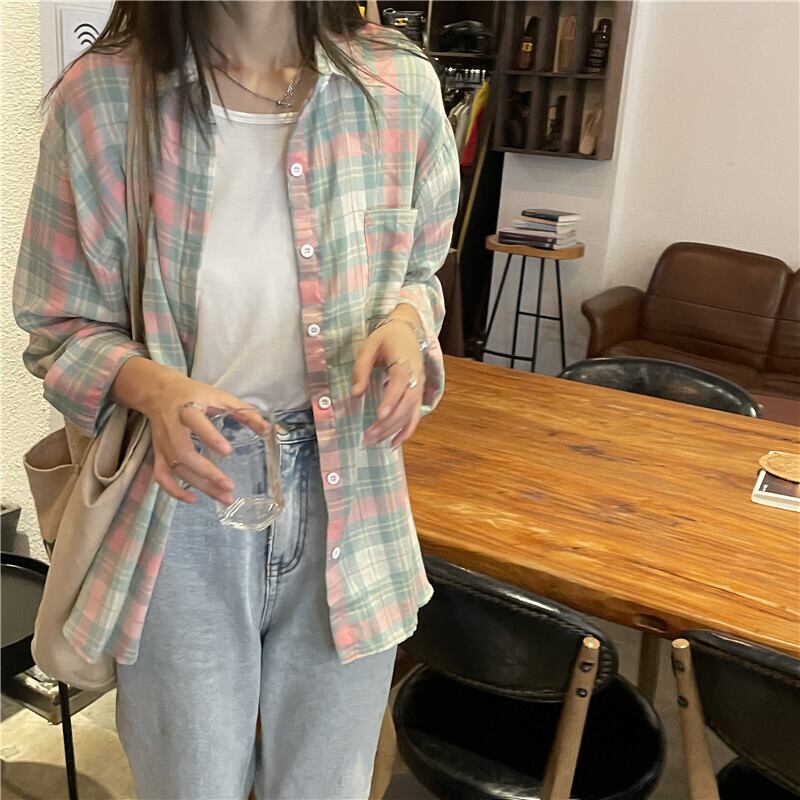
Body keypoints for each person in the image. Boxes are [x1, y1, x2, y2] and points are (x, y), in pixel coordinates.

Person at [13, 2, 459, 797]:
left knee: (326, 785)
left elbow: (419, 274)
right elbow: (56, 326)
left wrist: (404, 322)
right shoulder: (105, 99)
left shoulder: (398, 88)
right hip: (182, 496)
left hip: (351, 490)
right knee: (190, 783)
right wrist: (153, 386)